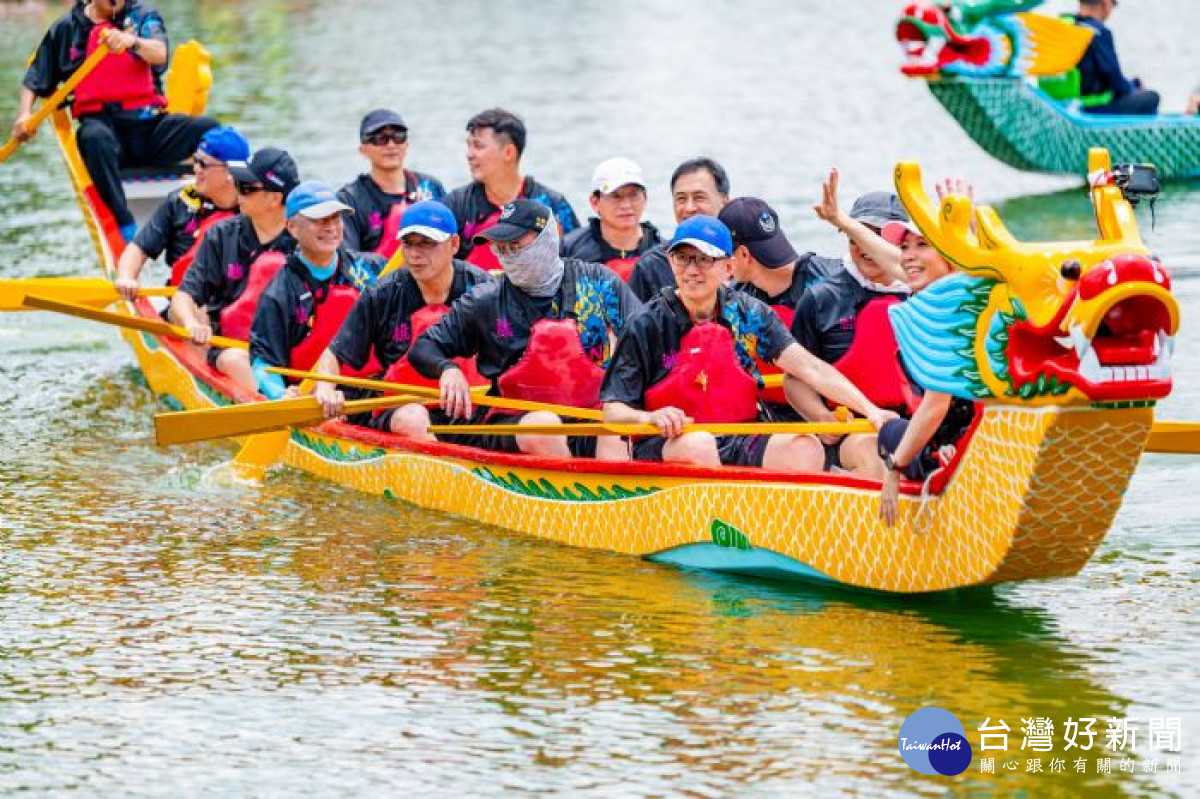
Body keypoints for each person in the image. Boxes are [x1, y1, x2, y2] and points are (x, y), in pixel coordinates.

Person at [601, 215, 894, 470]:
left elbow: (810, 369)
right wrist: (650, 417)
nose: (692, 270)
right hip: (669, 442)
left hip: (739, 434)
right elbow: (613, 410)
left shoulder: (750, 314)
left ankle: (776, 523)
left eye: (705, 259)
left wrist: (871, 411)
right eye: (683, 258)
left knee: (806, 447)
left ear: (728, 268)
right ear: (670, 262)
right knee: (700, 444)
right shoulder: (646, 324)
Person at [408, 199, 638, 461]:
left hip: (590, 415)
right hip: (515, 423)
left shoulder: (600, 282)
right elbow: (425, 348)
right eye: (502, 249)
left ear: (548, 240)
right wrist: (447, 369)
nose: (508, 256)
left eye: (516, 246)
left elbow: (645, 337)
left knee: (618, 429)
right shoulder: (485, 300)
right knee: (545, 426)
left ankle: (612, 494)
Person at [12, 0, 219, 241]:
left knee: (209, 129)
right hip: (106, 135)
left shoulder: (142, 16)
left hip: (150, 128)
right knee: (92, 137)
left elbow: (160, 53)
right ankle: (124, 225)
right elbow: (36, 76)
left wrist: (133, 42)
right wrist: (25, 113)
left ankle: (216, 209)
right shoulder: (67, 28)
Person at [310, 200, 492, 435]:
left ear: (454, 244)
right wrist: (325, 389)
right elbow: (334, 354)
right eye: (408, 244)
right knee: (414, 418)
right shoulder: (382, 294)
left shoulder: (483, 290)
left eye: (427, 243)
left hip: (466, 405)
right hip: (399, 405)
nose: (415, 254)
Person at [786, 186, 914, 477]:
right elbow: (795, 379)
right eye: (858, 235)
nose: (866, 246)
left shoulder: (923, 295)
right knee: (876, 457)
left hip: (919, 422)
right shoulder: (821, 298)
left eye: (877, 235)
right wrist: (819, 417)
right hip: (853, 429)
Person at [169, 147, 299, 392]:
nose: (237, 192)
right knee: (235, 360)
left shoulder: (305, 240)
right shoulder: (222, 235)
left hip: (289, 353)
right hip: (232, 346)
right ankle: (276, 401)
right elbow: (183, 297)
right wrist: (190, 324)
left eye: (247, 188)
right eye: (238, 183)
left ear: (275, 198)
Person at [876, 218, 979, 525]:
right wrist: (841, 221)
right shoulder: (972, 296)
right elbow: (894, 262)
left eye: (922, 245)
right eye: (904, 247)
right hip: (976, 432)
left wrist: (895, 467)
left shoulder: (943, 314)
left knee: (889, 433)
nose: (908, 255)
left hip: (961, 447)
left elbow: (936, 405)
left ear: (950, 257)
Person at [248, 181, 386, 399]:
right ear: (292, 227)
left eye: (335, 218)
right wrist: (280, 394)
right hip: (313, 396)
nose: (331, 227)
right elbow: (263, 361)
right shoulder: (278, 293)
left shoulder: (375, 269)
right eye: (319, 220)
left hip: (374, 387)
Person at [114, 124, 249, 299]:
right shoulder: (179, 201)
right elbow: (139, 248)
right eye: (195, 161)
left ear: (230, 172)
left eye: (204, 164)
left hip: (230, 306)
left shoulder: (254, 207)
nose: (196, 169)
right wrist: (126, 277)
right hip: (182, 303)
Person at [442, 108, 578, 272]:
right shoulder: (456, 204)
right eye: (468, 145)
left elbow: (575, 264)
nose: (469, 154)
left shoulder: (553, 205)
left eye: (478, 146)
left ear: (508, 152)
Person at [337, 108, 446, 258]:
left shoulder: (431, 187)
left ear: (407, 144)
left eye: (398, 136)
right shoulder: (349, 200)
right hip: (379, 279)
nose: (391, 145)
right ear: (362, 149)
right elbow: (347, 259)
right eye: (381, 138)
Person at [627, 157, 730, 303]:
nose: (689, 208)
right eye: (681, 199)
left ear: (725, 202)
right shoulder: (651, 266)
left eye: (699, 198)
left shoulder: (745, 258)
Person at [561, 157, 661, 281]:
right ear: (595, 202)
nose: (626, 205)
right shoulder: (568, 250)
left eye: (633, 195)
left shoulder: (663, 252)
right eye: (615, 196)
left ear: (645, 198)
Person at [1073, 0, 1159, 115]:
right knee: (1151, 98)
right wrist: (1135, 85)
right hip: (1092, 109)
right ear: (1106, 3)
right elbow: (1118, 84)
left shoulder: (1061, 26)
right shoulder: (1098, 33)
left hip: (1060, 107)